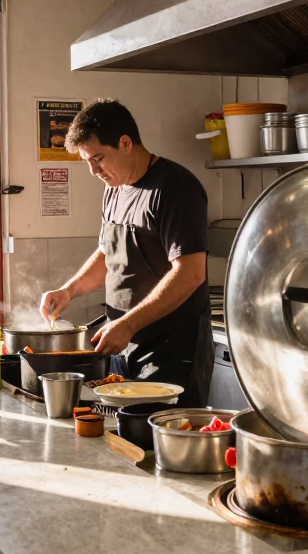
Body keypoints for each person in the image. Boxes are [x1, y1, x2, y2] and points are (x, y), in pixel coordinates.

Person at [40, 99, 213, 407]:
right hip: (125, 345)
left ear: (125, 143)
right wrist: (69, 291)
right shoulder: (114, 189)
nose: (94, 171)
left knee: (160, 444)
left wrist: (130, 323)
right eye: (87, 162)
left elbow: (190, 272)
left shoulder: (174, 188)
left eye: (99, 159)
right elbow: (108, 252)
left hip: (172, 350)